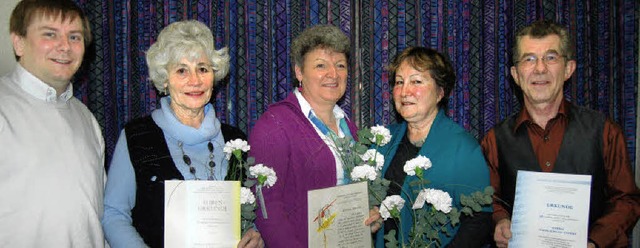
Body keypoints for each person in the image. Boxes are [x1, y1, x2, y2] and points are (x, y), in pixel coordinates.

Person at [101, 20, 263, 248]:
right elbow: (114, 213)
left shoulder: (236, 141)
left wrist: (254, 236)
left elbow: (248, 211)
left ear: (213, 77)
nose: (195, 80)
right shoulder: (137, 137)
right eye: (181, 70)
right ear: (165, 79)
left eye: (203, 69)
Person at [480, 20, 640, 248]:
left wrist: (595, 242)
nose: (540, 68)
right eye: (529, 59)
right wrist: (500, 220)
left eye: (551, 57)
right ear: (515, 74)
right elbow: (489, 199)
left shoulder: (605, 131)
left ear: (569, 69)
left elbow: (627, 200)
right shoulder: (494, 139)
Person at [0, 0, 106, 246]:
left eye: (75, 37)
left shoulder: (86, 118)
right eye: (50, 34)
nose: (65, 47)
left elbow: (95, 213)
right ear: (19, 42)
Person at [370, 47, 492, 247]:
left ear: (440, 93)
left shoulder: (463, 148)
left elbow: (478, 223)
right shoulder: (382, 141)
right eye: (399, 82)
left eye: (416, 81)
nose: (404, 91)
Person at [248, 24, 358, 247]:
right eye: (320, 65)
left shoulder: (348, 125)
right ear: (299, 72)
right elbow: (267, 207)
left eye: (340, 65)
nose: (333, 74)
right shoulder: (274, 124)